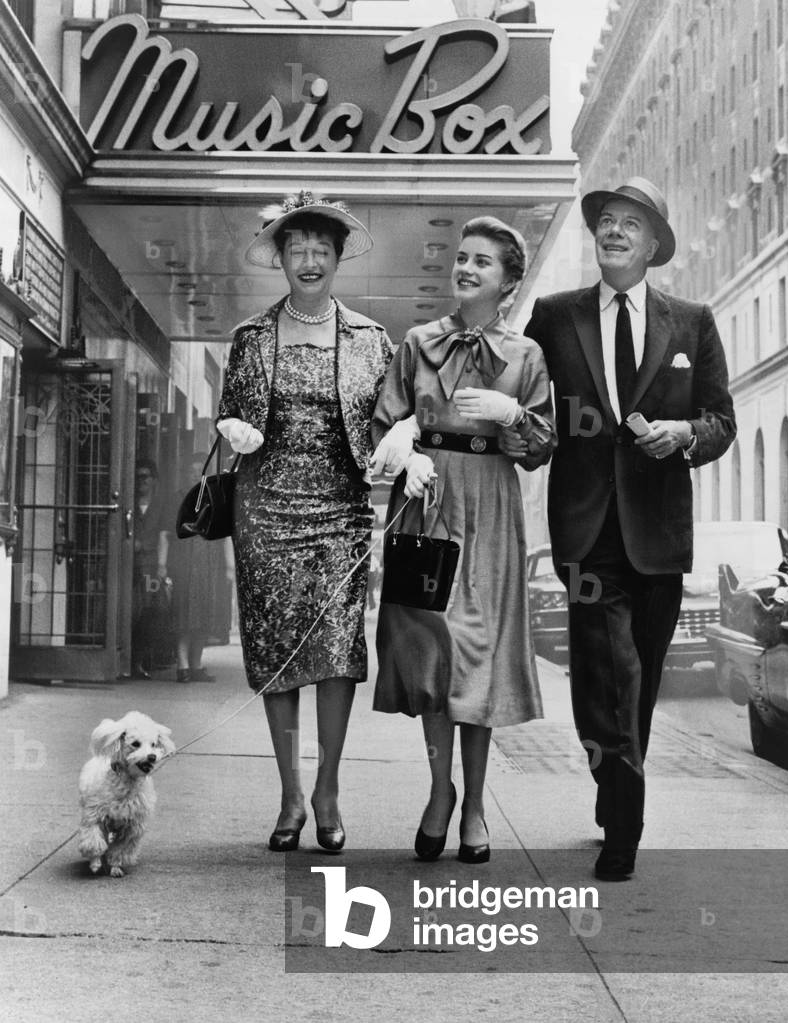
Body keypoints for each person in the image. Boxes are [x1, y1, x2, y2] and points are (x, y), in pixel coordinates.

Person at [519, 177, 736, 881]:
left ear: (652, 244)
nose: (613, 231)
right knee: (608, 673)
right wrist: (521, 434)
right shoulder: (554, 317)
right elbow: (530, 408)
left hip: (658, 534)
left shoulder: (691, 321)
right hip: (586, 534)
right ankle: (625, 827)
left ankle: (612, 791)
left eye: (629, 224)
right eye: (605, 221)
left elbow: (720, 421)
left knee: (633, 684)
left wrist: (682, 433)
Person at [216, 190, 404, 854]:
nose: (309, 258)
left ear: (337, 256)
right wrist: (233, 426)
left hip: (341, 513)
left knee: (335, 653)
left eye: (321, 248)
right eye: (296, 247)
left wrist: (402, 438)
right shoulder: (249, 337)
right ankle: (289, 794)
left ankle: (326, 788)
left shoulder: (370, 339)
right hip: (263, 510)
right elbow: (230, 414)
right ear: (280, 257)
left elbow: (394, 415)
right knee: (276, 656)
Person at [372, 216, 555, 863]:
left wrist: (515, 416)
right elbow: (383, 419)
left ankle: (474, 804)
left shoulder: (525, 356)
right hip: (425, 503)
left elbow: (539, 448)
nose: (467, 268)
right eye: (462, 257)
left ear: (506, 281)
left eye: (483, 261)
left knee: (475, 657)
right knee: (430, 657)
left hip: (488, 508)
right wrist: (402, 449)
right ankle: (437, 791)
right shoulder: (417, 342)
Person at [158, 452, 235, 683]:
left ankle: (196, 665)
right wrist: (161, 565)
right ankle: (182, 666)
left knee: (204, 616)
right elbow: (164, 534)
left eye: (200, 471)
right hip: (183, 565)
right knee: (183, 616)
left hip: (210, 567)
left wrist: (230, 567)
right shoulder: (177, 499)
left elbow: (226, 535)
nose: (196, 476)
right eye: (191, 472)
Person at [131, 458, 164, 679]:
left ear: (153, 480)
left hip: (151, 567)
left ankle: (143, 659)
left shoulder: (161, 505)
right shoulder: (127, 501)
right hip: (129, 566)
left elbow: (165, 535)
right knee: (131, 612)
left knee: (150, 612)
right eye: (138, 477)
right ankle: (131, 661)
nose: (141, 481)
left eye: (146, 477)